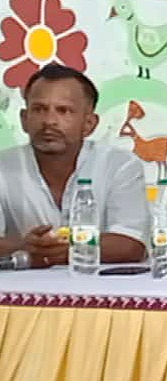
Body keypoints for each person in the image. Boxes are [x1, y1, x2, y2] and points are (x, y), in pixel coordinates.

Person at [0, 64, 147, 267]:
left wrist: (68, 247)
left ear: (89, 124)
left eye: (63, 111)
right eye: (39, 109)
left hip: (100, 284)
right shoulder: (3, 167)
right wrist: (24, 245)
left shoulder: (120, 165)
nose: (49, 121)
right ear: (24, 120)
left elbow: (131, 244)